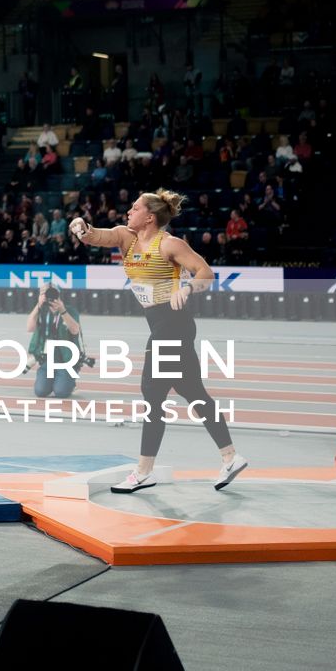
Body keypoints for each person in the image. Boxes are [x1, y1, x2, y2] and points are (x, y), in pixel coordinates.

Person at [68, 189, 247, 493]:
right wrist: (81, 227)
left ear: (149, 217)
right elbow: (97, 236)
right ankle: (230, 456)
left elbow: (206, 272)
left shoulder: (170, 244)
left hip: (173, 324)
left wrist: (188, 288)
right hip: (161, 324)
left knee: (152, 392)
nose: (128, 212)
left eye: (134, 208)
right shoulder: (127, 237)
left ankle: (143, 470)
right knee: (192, 390)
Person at [25, 285, 87, 399]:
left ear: (58, 295)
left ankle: (70, 381)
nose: (47, 296)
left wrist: (62, 311)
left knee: (61, 393)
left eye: (50, 293)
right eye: (43, 293)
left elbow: (75, 330)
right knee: (40, 391)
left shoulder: (70, 310)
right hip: (48, 359)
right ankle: (55, 379)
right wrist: (38, 306)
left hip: (65, 359)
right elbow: (29, 328)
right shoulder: (42, 311)